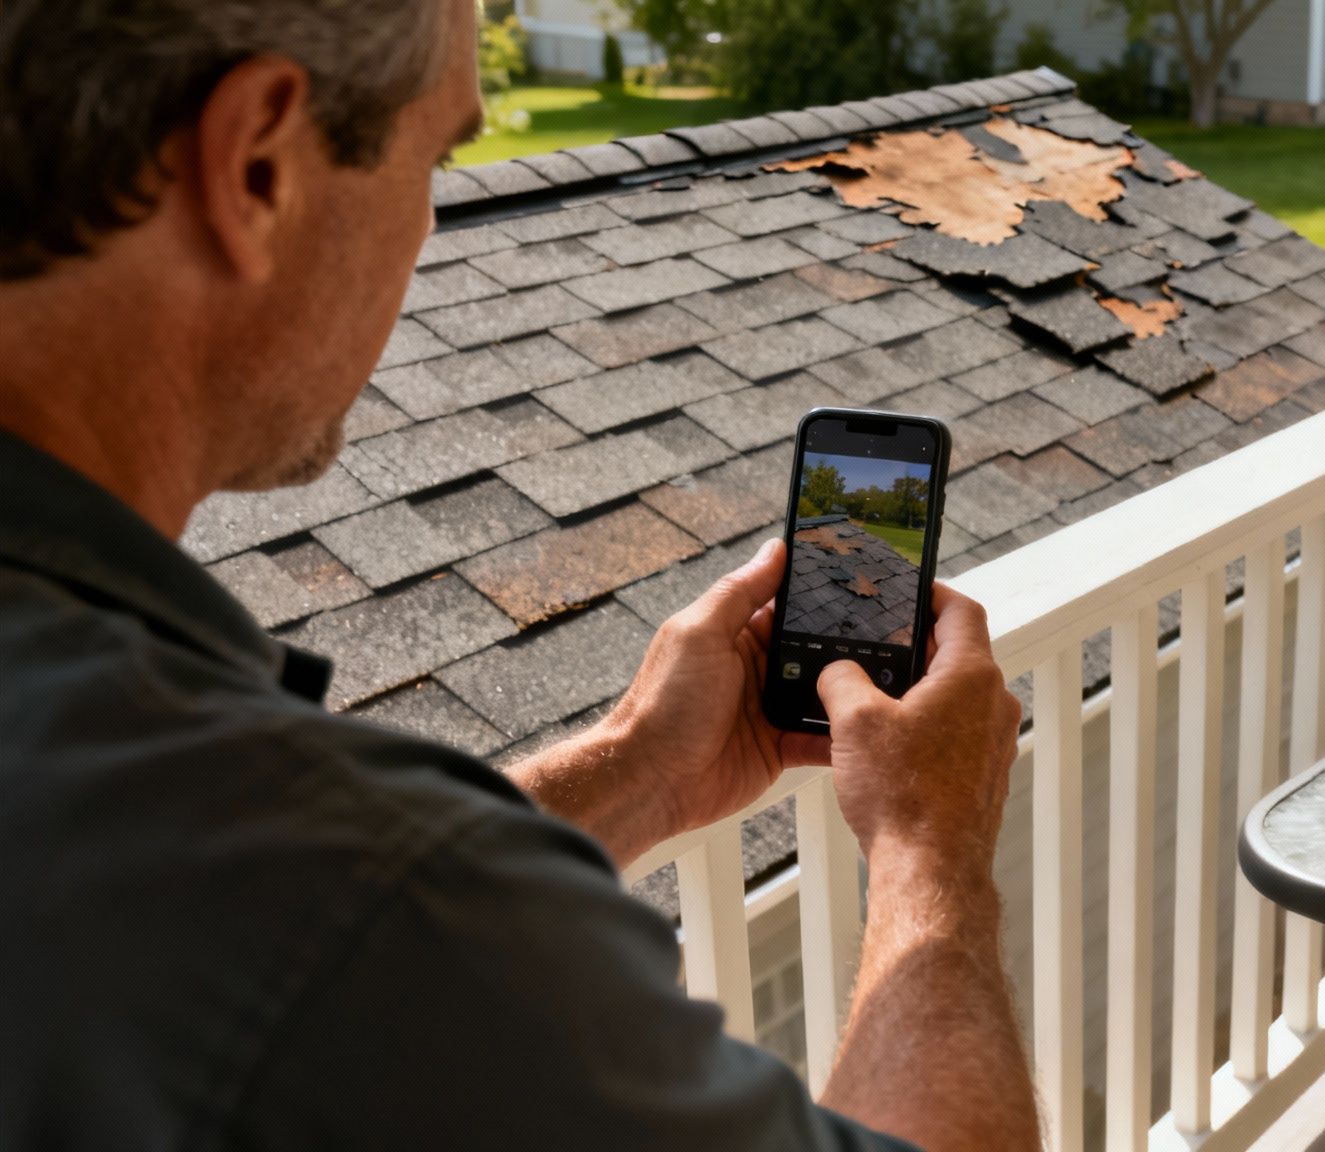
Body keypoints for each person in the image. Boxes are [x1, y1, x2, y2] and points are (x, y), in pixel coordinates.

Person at [0, 2, 1038, 1149]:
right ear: (254, 166)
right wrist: (929, 851)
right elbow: (359, 919)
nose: (428, 226)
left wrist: (638, 766)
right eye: (435, 155)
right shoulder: (345, 891)